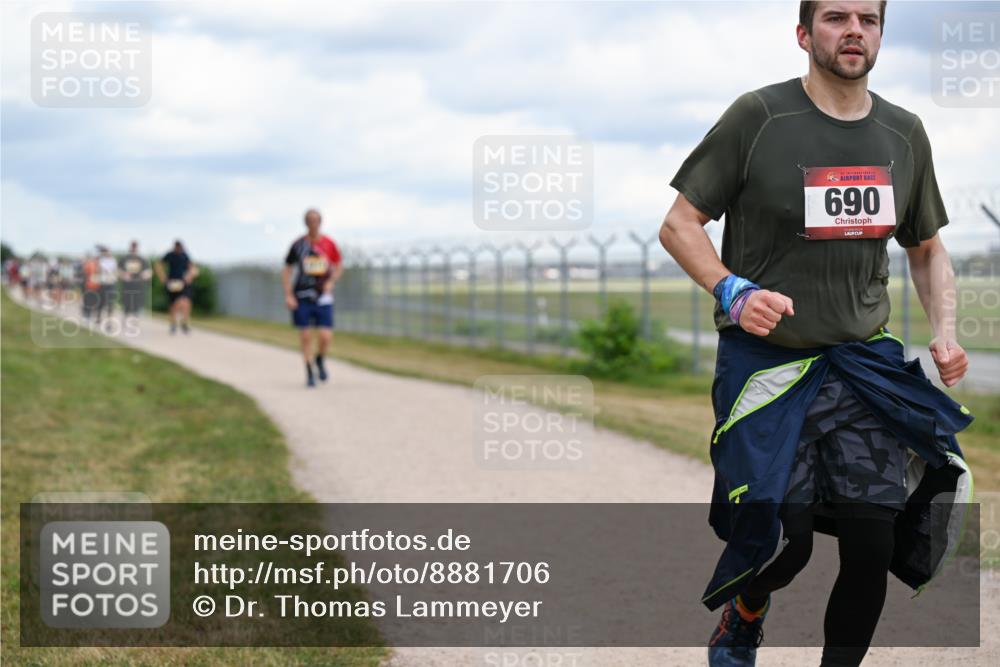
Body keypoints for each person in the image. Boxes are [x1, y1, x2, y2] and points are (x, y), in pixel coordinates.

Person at [658, 3, 974, 666]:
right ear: (805, 35)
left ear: (883, 34)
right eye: (835, 16)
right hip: (766, 367)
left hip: (861, 365)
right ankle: (745, 613)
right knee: (784, 541)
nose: (854, 29)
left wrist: (944, 331)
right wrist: (733, 291)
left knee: (871, 545)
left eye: (869, 17)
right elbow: (681, 223)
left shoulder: (905, 133)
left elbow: (925, 247)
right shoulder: (759, 117)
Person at [282, 208, 343, 387]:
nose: (313, 223)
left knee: (325, 335)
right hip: (301, 295)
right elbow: (287, 269)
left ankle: (320, 359)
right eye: (310, 220)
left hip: (323, 296)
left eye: (316, 220)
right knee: (306, 335)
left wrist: (331, 281)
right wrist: (288, 294)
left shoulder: (329, 244)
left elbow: (339, 265)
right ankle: (309, 371)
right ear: (305, 222)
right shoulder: (298, 245)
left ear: (321, 222)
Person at [155, 240, 198, 334]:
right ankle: (173, 324)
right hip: (172, 282)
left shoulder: (185, 255)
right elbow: (158, 265)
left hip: (183, 282)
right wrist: (163, 277)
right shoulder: (170, 255)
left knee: (186, 302)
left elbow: (192, 268)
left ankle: (184, 322)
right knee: (173, 303)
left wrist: (190, 275)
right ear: (175, 247)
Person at [119, 241, 151, 317]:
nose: (134, 248)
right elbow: (119, 269)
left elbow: (147, 271)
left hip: (138, 283)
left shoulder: (142, 259)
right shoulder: (124, 258)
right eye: (133, 246)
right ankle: (126, 310)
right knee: (127, 297)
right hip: (127, 283)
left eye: (135, 246)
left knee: (138, 297)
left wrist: (145, 277)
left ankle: (137, 311)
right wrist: (124, 274)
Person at [95, 245, 119, 323]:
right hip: (103, 283)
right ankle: (98, 317)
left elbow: (115, 271)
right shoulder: (100, 260)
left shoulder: (113, 260)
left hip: (111, 283)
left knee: (110, 303)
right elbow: (99, 270)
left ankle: (109, 320)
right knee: (101, 302)